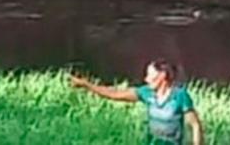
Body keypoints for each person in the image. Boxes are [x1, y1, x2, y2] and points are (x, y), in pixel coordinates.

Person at [70, 60, 204, 145]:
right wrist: (87, 85)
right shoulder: (147, 93)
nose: (146, 79)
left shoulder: (180, 97)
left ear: (162, 76)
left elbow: (195, 125)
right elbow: (115, 94)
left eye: (149, 75)